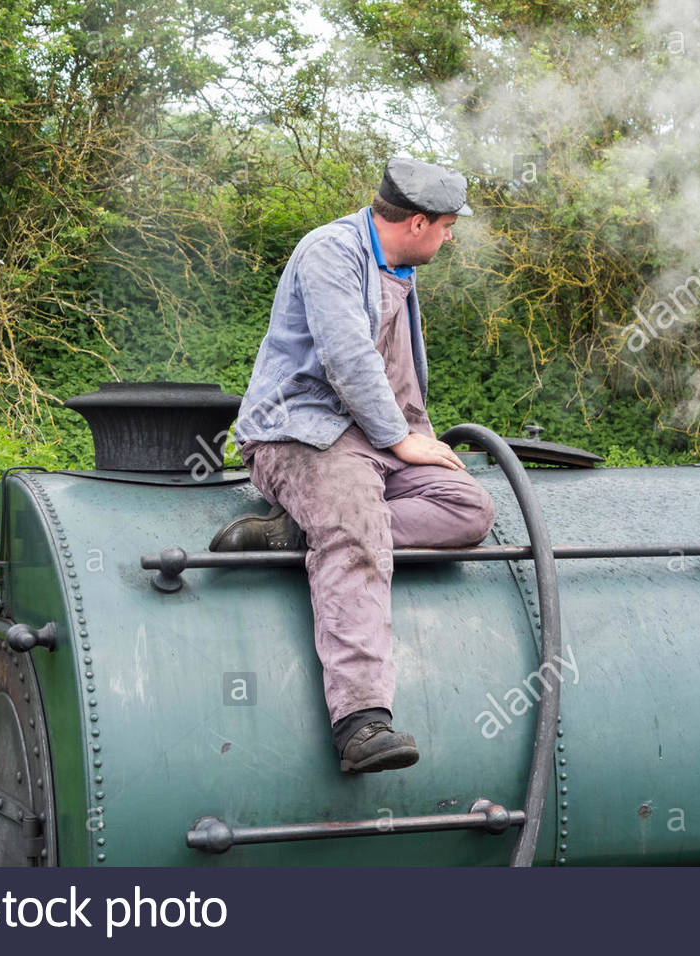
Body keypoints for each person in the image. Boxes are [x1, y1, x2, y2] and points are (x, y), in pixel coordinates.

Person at [209, 157, 497, 773]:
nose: (450, 238)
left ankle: (306, 528)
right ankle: (361, 722)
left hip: (381, 439)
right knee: (357, 533)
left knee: (471, 508)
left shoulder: (398, 265)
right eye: (448, 226)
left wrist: (404, 435)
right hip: (304, 433)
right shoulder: (330, 252)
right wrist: (401, 437)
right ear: (418, 222)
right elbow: (346, 356)